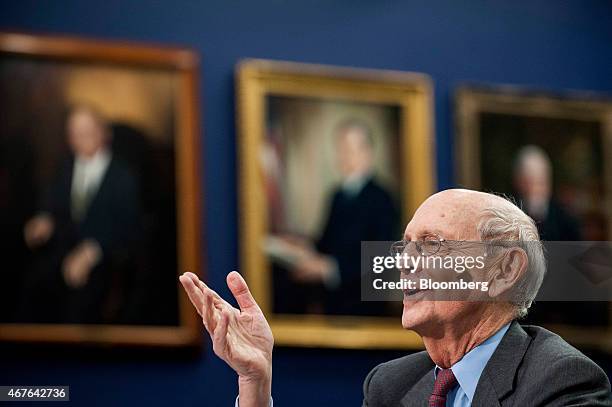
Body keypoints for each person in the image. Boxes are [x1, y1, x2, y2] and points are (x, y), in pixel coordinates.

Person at [179, 189, 611, 406]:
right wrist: (256, 383)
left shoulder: (562, 381)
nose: (404, 262)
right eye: (405, 245)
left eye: (433, 244)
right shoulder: (393, 385)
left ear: (504, 270)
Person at [20, 105, 140, 323]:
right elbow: (54, 208)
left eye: (87, 131)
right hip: (60, 262)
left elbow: (128, 230)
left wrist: (91, 252)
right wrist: (44, 221)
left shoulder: (123, 177)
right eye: (74, 133)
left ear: (104, 133)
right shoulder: (63, 169)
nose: (80, 139)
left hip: (105, 268)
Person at [272, 119, 398, 315]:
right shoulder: (337, 196)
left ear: (367, 152)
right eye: (341, 149)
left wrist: (331, 269)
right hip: (333, 303)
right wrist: (302, 245)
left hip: (364, 307)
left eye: (350, 149)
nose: (344, 156)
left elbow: (381, 258)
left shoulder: (382, 199)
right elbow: (326, 243)